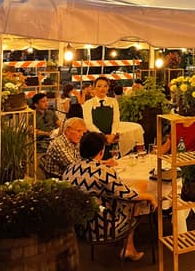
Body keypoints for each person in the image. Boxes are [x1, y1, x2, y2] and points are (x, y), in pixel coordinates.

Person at [63, 131, 157, 261]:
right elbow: (128, 195)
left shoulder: (70, 169)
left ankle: (128, 247)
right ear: (101, 151)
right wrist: (150, 196)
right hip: (102, 227)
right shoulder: (103, 172)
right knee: (135, 201)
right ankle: (129, 248)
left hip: (80, 227)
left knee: (131, 194)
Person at [82, 77, 120, 145]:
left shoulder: (113, 101)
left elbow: (116, 120)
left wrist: (112, 135)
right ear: (94, 88)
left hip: (111, 139)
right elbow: (88, 124)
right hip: (94, 139)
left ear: (108, 88)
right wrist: (102, 136)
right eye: (99, 86)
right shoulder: (88, 103)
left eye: (105, 86)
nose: (102, 89)